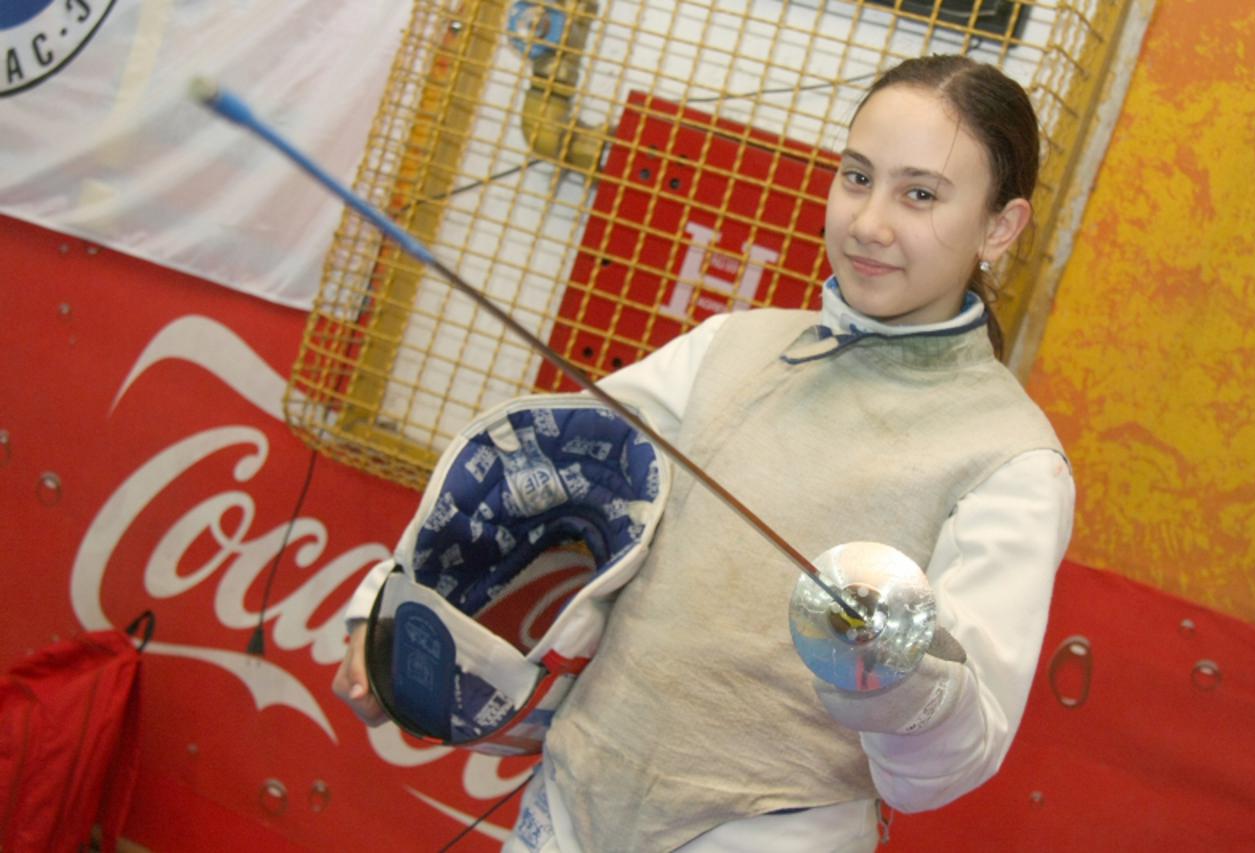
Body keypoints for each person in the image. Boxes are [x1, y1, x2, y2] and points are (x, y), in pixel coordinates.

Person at [332, 53, 1075, 852]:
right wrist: (395, 609)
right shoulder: (734, 345)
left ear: (1000, 227)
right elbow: (530, 486)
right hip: (577, 795)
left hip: (762, 832)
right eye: (857, 177)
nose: (869, 222)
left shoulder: (1012, 459)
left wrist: (901, 673)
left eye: (919, 194)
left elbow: (954, 757)